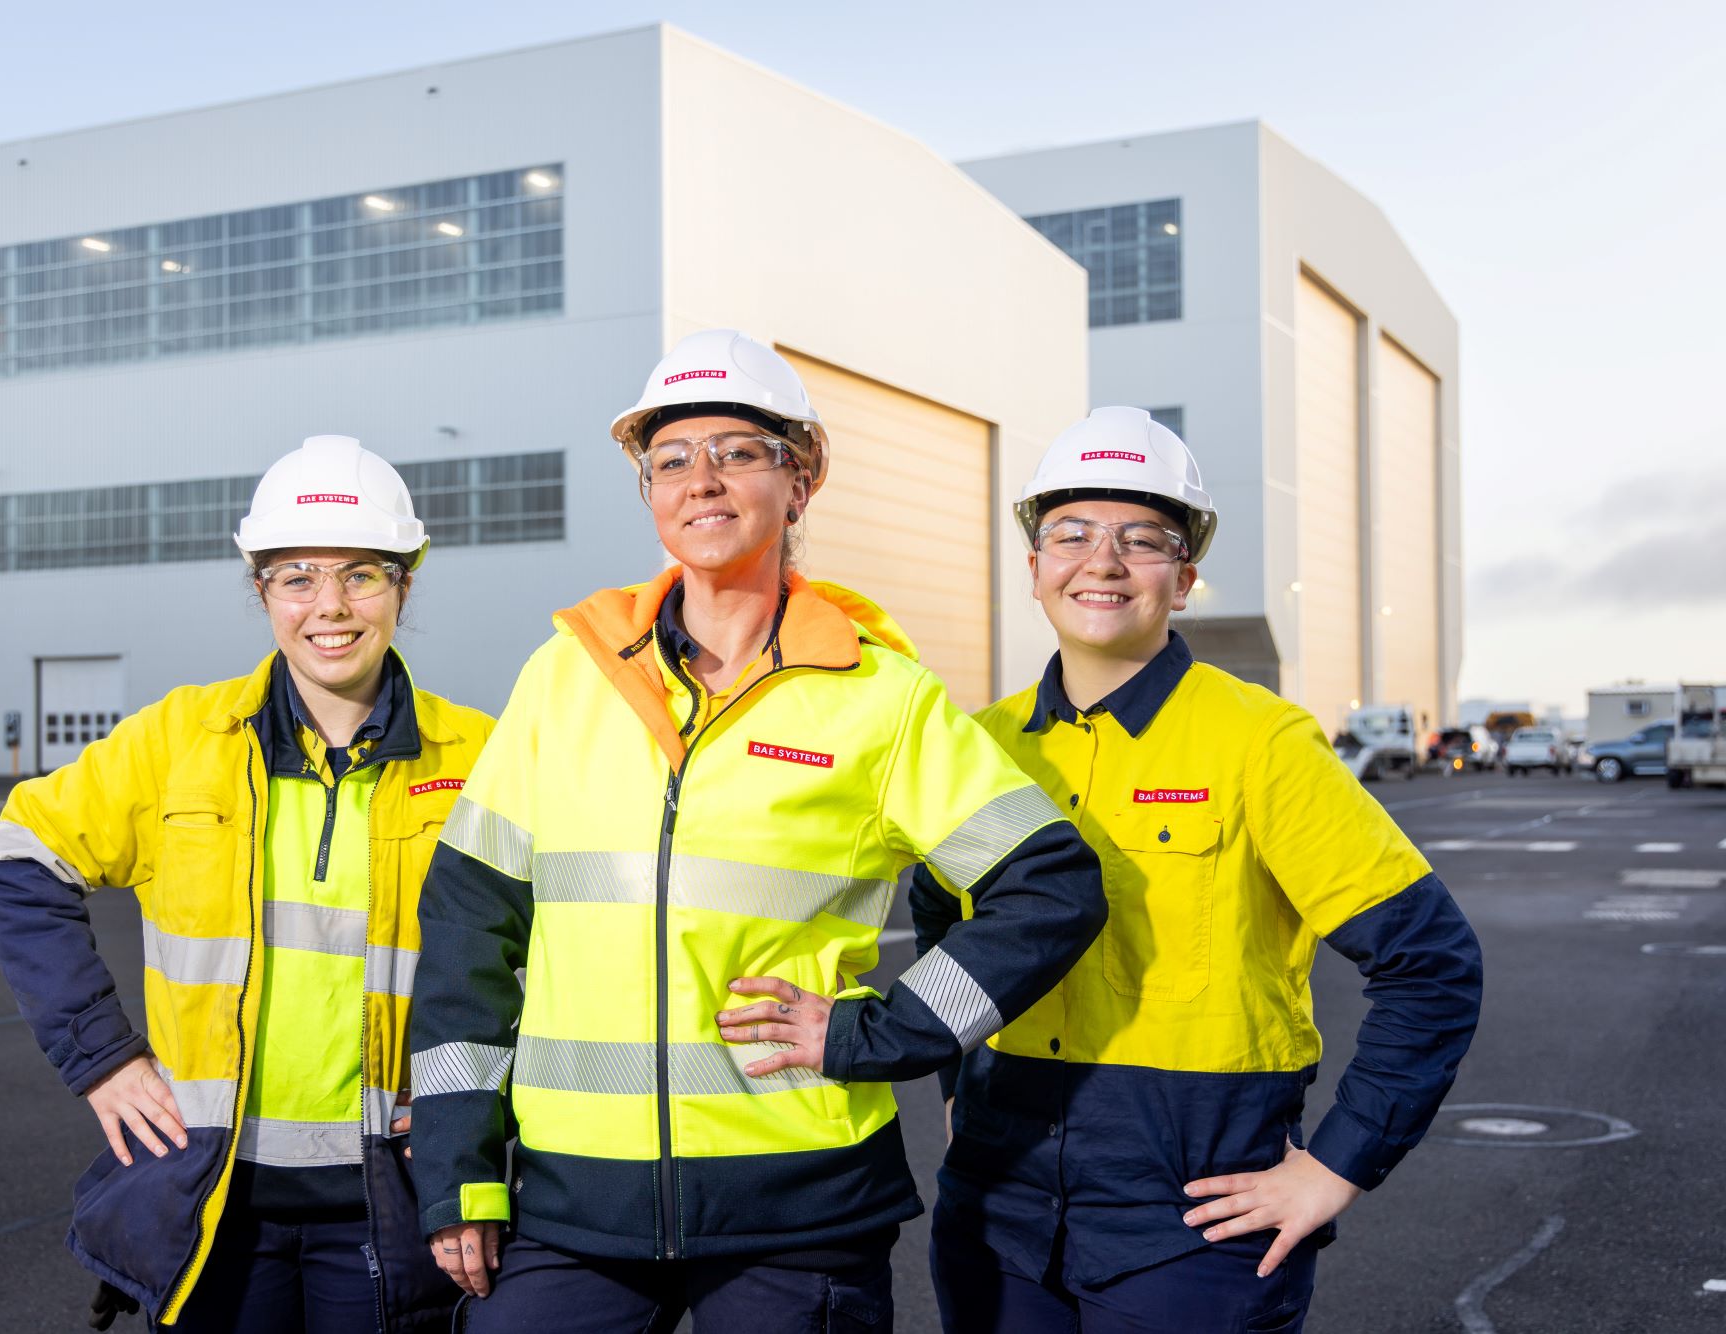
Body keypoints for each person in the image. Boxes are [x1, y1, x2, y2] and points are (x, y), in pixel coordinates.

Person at [405, 330, 1108, 1332]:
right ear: (646, 486)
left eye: (737, 450)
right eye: (672, 459)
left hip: (799, 1207)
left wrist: (884, 1030)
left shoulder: (880, 697)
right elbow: (469, 931)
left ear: (801, 474)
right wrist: (459, 1174)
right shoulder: (564, 677)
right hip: (568, 1204)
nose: (702, 480)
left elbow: (1050, 886)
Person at [916, 406, 1484, 1332]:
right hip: (998, 1209)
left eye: (1141, 539)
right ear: (1034, 567)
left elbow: (1431, 963)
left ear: (1183, 579)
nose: (1101, 561)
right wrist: (953, 1085)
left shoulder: (1262, 742)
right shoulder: (980, 747)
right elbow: (944, 917)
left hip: (1189, 1230)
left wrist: (1335, 1166)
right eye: (1072, 533)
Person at [0, 435, 492, 1332]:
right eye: (296, 577)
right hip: (216, 1203)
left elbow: (531, 962)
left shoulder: (483, 757)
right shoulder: (179, 740)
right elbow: (21, 860)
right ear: (261, 591)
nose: (329, 606)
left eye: (362, 574)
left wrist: (474, 1124)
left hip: (390, 1203)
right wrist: (102, 1058)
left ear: (407, 583)